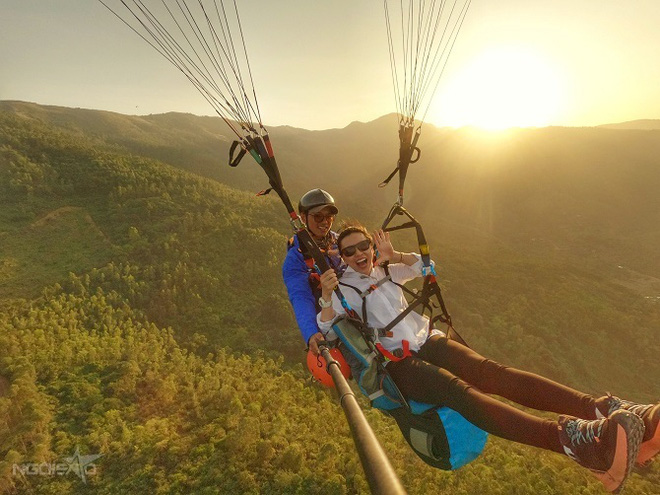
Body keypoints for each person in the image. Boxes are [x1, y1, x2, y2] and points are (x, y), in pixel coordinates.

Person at [317, 223, 659, 493]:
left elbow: (427, 266)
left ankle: (602, 409)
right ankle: (577, 442)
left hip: (428, 340)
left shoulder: (387, 269)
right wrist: (328, 294)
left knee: (492, 373)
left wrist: (396, 255)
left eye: (364, 245)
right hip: (399, 365)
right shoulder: (343, 287)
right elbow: (328, 329)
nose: (360, 253)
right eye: (350, 251)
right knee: (462, 393)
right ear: (342, 257)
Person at [282, 189, 344, 355]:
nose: (325, 222)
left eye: (329, 216)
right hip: (332, 319)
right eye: (318, 216)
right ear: (303, 218)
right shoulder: (296, 258)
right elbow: (301, 297)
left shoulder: (340, 241)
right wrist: (310, 333)